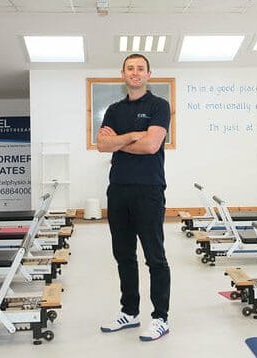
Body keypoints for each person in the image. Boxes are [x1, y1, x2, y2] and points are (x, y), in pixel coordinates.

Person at [97, 53, 171, 342]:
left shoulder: (158, 105)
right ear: (123, 74)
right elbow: (102, 146)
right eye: (131, 68)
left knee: (155, 257)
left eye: (141, 68)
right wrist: (132, 136)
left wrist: (119, 140)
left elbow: (152, 146)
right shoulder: (114, 109)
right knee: (123, 255)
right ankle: (130, 312)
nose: (135, 72)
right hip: (118, 190)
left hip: (149, 190)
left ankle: (160, 318)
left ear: (149, 74)